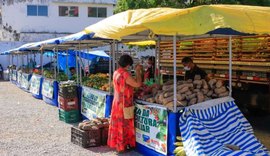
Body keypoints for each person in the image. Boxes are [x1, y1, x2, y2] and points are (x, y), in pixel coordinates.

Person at [107, 54, 142, 153]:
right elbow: (137, 84)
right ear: (127, 64)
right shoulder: (125, 74)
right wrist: (138, 71)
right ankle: (122, 146)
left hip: (117, 102)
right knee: (124, 125)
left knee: (117, 124)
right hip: (124, 103)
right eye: (129, 65)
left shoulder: (116, 72)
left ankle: (119, 145)